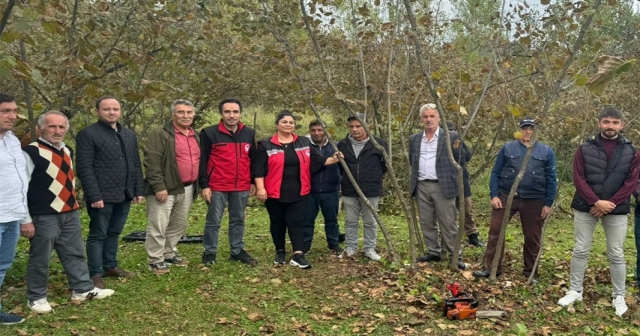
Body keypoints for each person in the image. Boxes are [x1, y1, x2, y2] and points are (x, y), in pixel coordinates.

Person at [21, 111, 115, 313]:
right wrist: (26, 219)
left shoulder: (67, 150)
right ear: (40, 129)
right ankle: (36, 297)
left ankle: (82, 288)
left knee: (75, 252)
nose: (57, 131)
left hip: (69, 211)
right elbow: (21, 187)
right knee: (41, 257)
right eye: (52, 126)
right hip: (43, 214)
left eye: (61, 127)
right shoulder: (30, 152)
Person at [558, 107, 640, 317]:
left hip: (617, 209)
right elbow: (578, 179)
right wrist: (596, 201)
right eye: (606, 122)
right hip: (586, 207)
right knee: (580, 249)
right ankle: (575, 290)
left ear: (622, 125)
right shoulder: (584, 148)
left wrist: (609, 203)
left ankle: (618, 295)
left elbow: (631, 182)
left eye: (615, 122)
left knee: (616, 253)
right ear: (599, 123)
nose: (610, 126)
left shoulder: (632, 151)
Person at [253, 110, 341, 269]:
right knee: (278, 222)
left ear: (294, 125)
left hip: (300, 191)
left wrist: (333, 159)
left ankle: (298, 254)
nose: (288, 125)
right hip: (274, 191)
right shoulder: (265, 144)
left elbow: (317, 160)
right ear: (277, 125)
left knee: (297, 222)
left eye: (291, 122)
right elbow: (258, 168)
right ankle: (280, 251)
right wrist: (260, 188)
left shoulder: (303, 142)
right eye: (284, 122)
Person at [473, 118, 557, 279]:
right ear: (519, 130)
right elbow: (496, 172)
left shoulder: (546, 151)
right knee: (496, 231)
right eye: (525, 128)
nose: (528, 132)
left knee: (533, 236)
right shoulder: (508, 148)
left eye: (532, 129)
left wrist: (548, 203)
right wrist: (494, 195)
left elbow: (552, 178)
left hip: (535, 199)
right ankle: (492, 269)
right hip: (506, 196)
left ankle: (530, 274)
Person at [76, 96, 144, 288]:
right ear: (97, 111)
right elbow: (84, 168)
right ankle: (95, 272)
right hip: (102, 196)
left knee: (114, 231)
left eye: (115, 109)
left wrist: (138, 189)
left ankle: (110, 265)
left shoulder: (128, 134)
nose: (111, 112)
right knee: (98, 234)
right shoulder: (88, 135)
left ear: (120, 111)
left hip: (124, 193)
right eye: (106, 109)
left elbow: (135, 163)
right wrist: (94, 195)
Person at [143, 100, 200, 274]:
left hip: (187, 187)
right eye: (181, 112)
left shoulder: (194, 135)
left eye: (189, 112)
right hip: (165, 188)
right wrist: (159, 186)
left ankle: (168, 253)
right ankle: (155, 259)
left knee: (179, 225)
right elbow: (152, 162)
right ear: (173, 114)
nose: (186, 116)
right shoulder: (160, 134)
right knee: (158, 225)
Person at [199, 98, 257, 266]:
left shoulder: (248, 133)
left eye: (235, 112)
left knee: (238, 219)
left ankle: (237, 250)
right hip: (217, 185)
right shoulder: (209, 133)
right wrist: (204, 185)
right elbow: (202, 160)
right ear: (221, 114)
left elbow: (252, 159)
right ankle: (210, 252)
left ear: (240, 113)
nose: (231, 115)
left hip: (241, 185)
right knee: (213, 220)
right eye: (227, 112)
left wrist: (252, 181)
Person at [410, 104, 466, 270]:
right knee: (427, 222)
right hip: (421, 185)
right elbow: (412, 160)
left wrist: (451, 176)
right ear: (421, 119)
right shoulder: (414, 139)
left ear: (439, 118)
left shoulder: (451, 137)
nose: (428, 119)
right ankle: (434, 251)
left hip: (443, 186)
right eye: (425, 117)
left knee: (448, 223)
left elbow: (463, 158)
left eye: (432, 116)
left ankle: (456, 255)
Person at [338, 113, 388, 261]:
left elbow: (385, 166)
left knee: (370, 221)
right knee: (351, 220)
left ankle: (369, 249)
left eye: (358, 126)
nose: (354, 129)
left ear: (366, 126)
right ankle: (351, 248)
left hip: (371, 189)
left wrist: (373, 178)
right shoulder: (342, 144)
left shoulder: (378, 143)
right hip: (349, 189)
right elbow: (340, 167)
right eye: (352, 126)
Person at [0, 93, 28, 325]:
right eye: (5, 111)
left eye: (14, 111)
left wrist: (24, 215)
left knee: (2, 266)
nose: (12, 116)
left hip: (12, 214)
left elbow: (20, 178)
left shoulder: (13, 140)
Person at [303, 120, 343, 254]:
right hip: (310, 190)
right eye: (313, 130)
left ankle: (333, 244)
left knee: (332, 220)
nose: (317, 133)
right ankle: (305, 245)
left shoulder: (335, 147)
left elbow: (342, 168)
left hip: (330, 190)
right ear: (309, 131)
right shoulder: (305, 148)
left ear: (325, 131)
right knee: (307, 220)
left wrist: (338, 182)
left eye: (320, 130)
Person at [446, 121, 484, 247]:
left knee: (467, 210)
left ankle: (473, 236)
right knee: (447, 211)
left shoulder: (459, 141)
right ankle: (447, 238)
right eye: (449, 130)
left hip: (461, 179)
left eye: (452, 130)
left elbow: (466, 156)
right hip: (445, 180)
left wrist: (458, 144)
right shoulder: (439, 142)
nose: (451, 133)